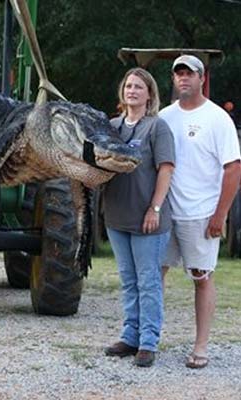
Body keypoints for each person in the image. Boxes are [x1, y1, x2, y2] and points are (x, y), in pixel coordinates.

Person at [160, 55, 241, 369]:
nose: (183, 79)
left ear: (201, 78)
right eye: (178, 73)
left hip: (201, 213)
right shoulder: (164, 117)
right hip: (166, 211)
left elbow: (233, 169)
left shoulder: (217, 118)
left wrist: (220, 215)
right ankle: (148, 340)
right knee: (155, 274)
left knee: (201, 277)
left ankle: (201, 346)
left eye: (189, 74)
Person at [102, 68, 175, 367]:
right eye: (128, 86)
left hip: (148, 220)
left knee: (148, 281)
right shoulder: (111, 126)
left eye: (139, 87)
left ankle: (148, 342)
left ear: (149, 94)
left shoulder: (157, 128)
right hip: (117, 216)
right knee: (128, 281)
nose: (132, 90)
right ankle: (129, 336)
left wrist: (154, 208)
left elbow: (166, 170)